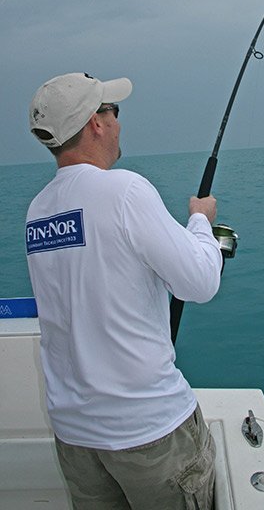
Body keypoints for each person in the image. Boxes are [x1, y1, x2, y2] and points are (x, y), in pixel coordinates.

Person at [25, 72, 222, 510]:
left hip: (76, 439)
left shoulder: (38, 210)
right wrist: (201, 221)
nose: (117, 122)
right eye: (113, 111)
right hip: (147, 433)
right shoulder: (125, 189)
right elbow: (200, 283)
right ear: (96, 123)